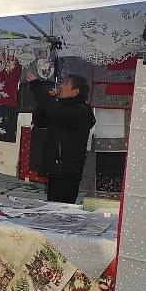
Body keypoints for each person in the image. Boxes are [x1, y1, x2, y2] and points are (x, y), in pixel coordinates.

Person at [27, 71, 95, 204]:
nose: (61, 86)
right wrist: (46, 98)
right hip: (55, 167)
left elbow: (57, 113)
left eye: (66, 83)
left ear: (75, 91)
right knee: (52, 205)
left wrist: (38, 89)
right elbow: (38, 120)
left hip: (67, 170)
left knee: (62, 207)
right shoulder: (61, 107)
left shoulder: (82, 110)